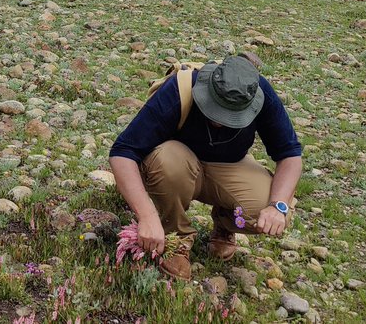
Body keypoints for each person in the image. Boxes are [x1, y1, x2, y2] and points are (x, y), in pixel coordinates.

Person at [109, 54, 303, 280]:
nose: (220, 121)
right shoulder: (180, 88)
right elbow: (123, 152)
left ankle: (225, 222)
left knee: (268, 211)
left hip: (227, 168)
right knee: (167, 160)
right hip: (176, 167)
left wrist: (277, 206)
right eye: (215, 109)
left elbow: (290, 154)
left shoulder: (261, 94)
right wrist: (147, 215)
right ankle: (176, 236)